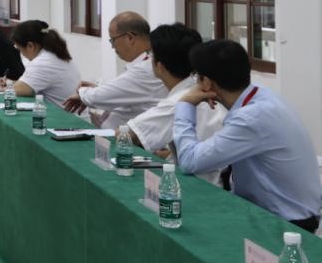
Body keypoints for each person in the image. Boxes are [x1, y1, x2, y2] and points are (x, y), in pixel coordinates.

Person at [174, 39, 322, 230]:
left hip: (286, 225)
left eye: (197, 77)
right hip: (278, 213)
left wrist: (185, 103)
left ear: (207, 83)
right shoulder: (262, 96)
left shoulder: (252, 118)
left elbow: (189, 161)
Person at [124, 23, 224, 183]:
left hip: (197, 186)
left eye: (151, 55)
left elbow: (127, 136)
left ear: (159, 66)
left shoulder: (179, 100)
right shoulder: (199, 88)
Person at [62, 12, 167, 128]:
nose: (113, 46)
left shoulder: (146, 68)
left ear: (130, 38)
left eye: (113, 40)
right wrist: (95, 90)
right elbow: (119, 92)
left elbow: (98, 97)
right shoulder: (144, 64)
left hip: (124, 137)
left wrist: (82, 94)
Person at [5, 20, 81, 109]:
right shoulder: (53, 55)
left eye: (19, 49)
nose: (22, 54)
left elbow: (17, 90)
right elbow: (30, 84)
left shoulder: (43, 62)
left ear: (30, 46)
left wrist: (8, 87)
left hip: (64, 116)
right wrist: (10, 82)